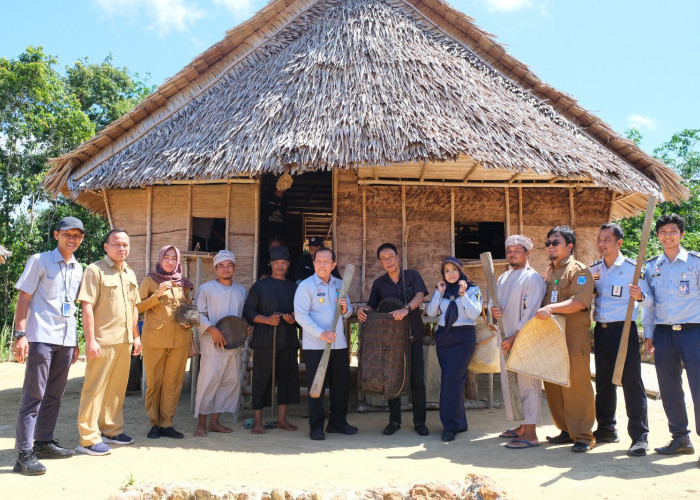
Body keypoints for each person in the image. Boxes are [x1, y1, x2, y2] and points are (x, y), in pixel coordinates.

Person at [12, 217, 85, 475]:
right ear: (56, 234)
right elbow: (25, 295)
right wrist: (20, 334)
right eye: (67, 234)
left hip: (65, 340)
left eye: (77, 235)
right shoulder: (39, 260)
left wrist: (76, 341)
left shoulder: (78, 268)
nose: (72, 239)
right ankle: (24, 454)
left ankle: (44, 442)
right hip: (40, 336)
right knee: (34, 396)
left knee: (55, 395)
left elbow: (72, 308)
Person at [76, 228, 142, 456]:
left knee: (116, 389)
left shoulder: (130, 273)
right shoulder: (95, 271)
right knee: (94, 389)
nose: (121, 248)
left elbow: (134, 308)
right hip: (102, 341)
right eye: (116, 244)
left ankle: (111, 430)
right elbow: (86, 307)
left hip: (124, 341)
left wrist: (136, 337)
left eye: (125, 245)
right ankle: (87, 439)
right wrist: (90, 340)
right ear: (106, 246)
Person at [640, 213, 700, 464]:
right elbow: (649, 307)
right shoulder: (652, 267)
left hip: (694, 332)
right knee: (669, 388)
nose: (668, 236)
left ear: (681, 234)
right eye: (663, 232)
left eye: (673, 231)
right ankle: (680, 439)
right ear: (657, 236)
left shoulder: (696, 263)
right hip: (664, 334)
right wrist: (650, 334)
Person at [589, 223, 649, 456]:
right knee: (603, 382)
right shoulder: (594, 269)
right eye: (599, 239)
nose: (601, 243)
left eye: (607, 239)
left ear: (619, 243)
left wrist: (641, 296)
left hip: (624, 329)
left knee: (632, 383)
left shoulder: (633, 269)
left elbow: (648, 299)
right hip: (601, 331)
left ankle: (640, 436)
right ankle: (606, 428)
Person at [357, 242, 429, 437]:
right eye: (384, 258)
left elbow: (420, 295)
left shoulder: (412, 275)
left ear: (398, 257)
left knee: (417, 380)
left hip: (413, 334)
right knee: (391, 377)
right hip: (390, 340)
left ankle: (419, 421)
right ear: (381, 262)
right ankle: (394, 420)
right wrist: (361, 310)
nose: (388, 260)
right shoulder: (379, 284)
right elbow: (371, 306)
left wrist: (406, 309)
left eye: (391, 256)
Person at [535, 225, 595, 453]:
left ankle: (583, 436)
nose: (550, 246)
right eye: (548, 243)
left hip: (572, 337)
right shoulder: (549, 271)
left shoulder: (579, 271)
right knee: (553, 384)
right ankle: (566, 430)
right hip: (552, 339)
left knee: (576, 385)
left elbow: (579, 302)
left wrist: (550, 308)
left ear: (569, 246)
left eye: (555, 242)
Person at [490, 235, 546, 449]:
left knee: (528, 385)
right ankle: (522, 426)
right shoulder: (504, 277)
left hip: (524, 340)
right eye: (509, 250)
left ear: (528, 253)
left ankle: (531, 434)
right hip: (506, 340)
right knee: (510, 383)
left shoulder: (532, 278)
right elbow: (494, 302)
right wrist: (494, 311)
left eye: (517, 250)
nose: (512, 254)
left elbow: (532, 312)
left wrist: (515, 337)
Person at [294, 247, 355, 440]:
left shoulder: (340, 284)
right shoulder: (306, 286)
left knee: (340, 385)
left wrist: (345, 309)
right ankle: (316, 426)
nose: (322, 265)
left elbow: (348, 312)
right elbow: (301, 316)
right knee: (317, 386)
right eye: (318, 261)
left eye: (326, 261)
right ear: (313, 264)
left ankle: (337, 422)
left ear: (333, 265)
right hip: (316, 346)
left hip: (339, 345)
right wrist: (321, 333)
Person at [137, 245, 194, 440]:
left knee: (173, 383)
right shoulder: (150, 280)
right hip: (155, 340)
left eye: (173, 258)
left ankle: (167, 423)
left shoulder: (183, 283)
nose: (170, 262)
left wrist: (190, 320)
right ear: (160, 259)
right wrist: (158, 294)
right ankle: (154, 423)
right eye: (166, 258)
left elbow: (187, 307)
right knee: (154, 383)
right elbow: (137, 307)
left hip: (179, 340)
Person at [243, 246, 300, 434]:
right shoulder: (260, 286)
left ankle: (282, 419)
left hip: (288, 339)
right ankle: (258, 420)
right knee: (261, 378)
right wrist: (266, 319)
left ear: (288, 265)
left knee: (287, 379)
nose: (280, 266)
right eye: (277, 263)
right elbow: (249, 312)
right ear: (271, 264)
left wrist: (294, 319)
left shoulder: (295, 288)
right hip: (264, 340)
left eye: (283, 263)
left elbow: (302, 315)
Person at [425, 257, 482, 442]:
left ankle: (450, 425)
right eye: (447, 270)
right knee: (453, 380)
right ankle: (459, 422)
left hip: (463, 338)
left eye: (454, 269)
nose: (451, 273)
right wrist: (439, 293)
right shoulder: (442, 290)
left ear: (460, 271)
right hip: (444, 338)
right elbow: (431, 313)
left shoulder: (472, 289)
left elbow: (475, 313)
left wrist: (463, 294)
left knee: (452, 380)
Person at [193, 249, 247, 437]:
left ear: (234, 267)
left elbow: (242, 318)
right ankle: (201, 422)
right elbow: (197, 314)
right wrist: (211, 329)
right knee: (208, 382)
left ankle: (215, 422)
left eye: (229, 265)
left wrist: (246, 329)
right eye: (221, 266)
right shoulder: (206, 289)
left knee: (229, 383)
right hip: (212, 345)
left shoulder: (241, 290)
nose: (225, 269)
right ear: (216, 268)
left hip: (233, 346)